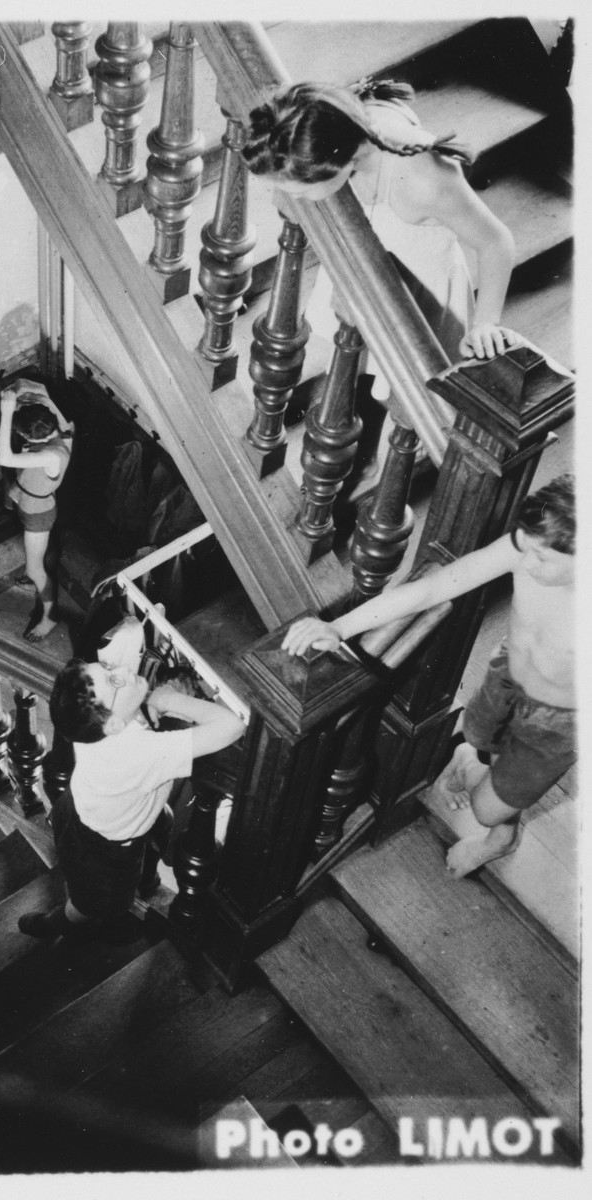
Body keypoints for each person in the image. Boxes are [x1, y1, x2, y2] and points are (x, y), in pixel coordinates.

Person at [281, 473, 574, 878]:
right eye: (524, 545)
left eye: (542, 558)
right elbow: (431, 589)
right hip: (505, 673)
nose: (525, 561)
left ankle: (498, 836)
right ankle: (471, 757)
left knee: (488, 810)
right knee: (477, 735)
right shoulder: (527, 548)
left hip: (556, 724)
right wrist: (340, 628)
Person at [243, 79, 517, 471]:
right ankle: (360, 445)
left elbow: (496, 242)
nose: (294, 200)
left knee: (401, 390)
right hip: (366, 269)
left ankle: (386, 447)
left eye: (301, 192)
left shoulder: (425, 181)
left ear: (336, 164)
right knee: (354, 358)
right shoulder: (330, 126)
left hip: (418, 295)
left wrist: (487, 322)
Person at [18, 655, 245, 943]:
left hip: (76, 810)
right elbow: (232, 727)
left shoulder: (92, 724)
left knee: (80, 875)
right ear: (113, 724)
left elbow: (129, 638)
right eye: (114, 680)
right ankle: (55, 924)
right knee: (90, 904)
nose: (124, 668)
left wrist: (141, 699)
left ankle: (139, 883)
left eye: (109, 666)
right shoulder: (141, 752)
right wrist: (170, 700)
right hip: (107, 852)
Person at [0, 383, 74, 642]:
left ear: (28, 437)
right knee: (38, 560)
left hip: (38, 515)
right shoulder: (62, 433)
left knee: (34, 568)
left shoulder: (50, 456)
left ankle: (50, 615)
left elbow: (4, 458)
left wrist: (7, 414)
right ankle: (39, 579)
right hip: (34, 505)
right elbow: (46, 398)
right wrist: (36, 396)